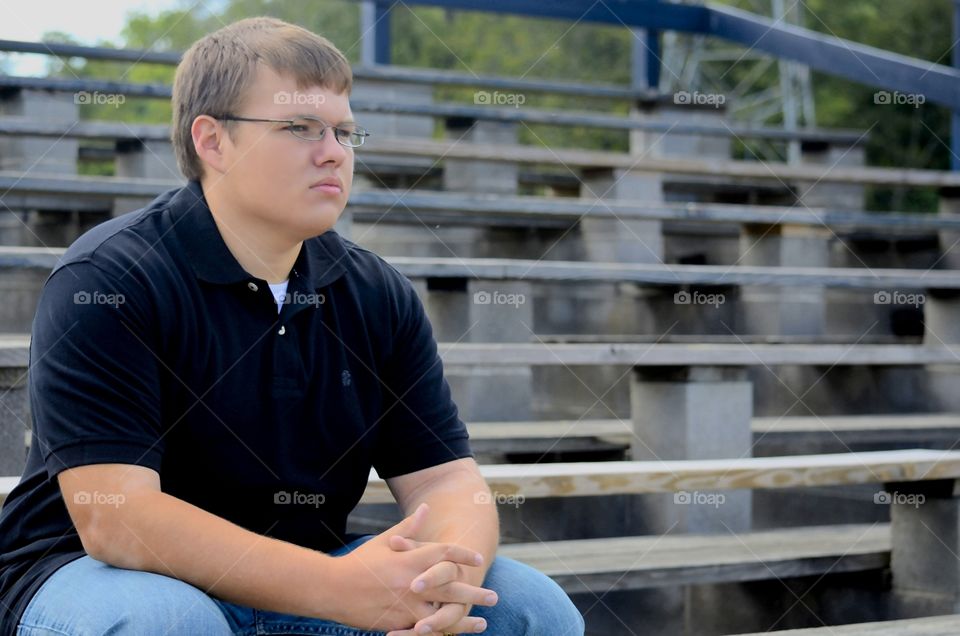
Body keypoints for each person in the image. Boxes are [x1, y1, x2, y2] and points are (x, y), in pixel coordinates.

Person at [0, 16, 585, 636]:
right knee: (167, 622)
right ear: (213, 141)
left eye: (344, 132)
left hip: (308, 569)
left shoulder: (376, 292)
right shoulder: (110, 278)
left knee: (528, 607)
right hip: (101, 576)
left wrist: (442, 581)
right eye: (300, 127)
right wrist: (341, 589)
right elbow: (118, 519)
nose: (334, 151)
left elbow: (445, 479)